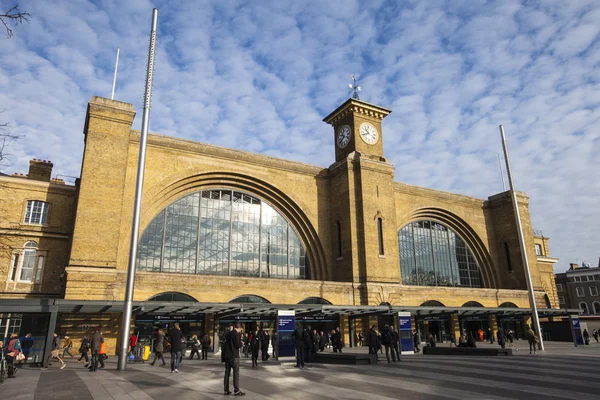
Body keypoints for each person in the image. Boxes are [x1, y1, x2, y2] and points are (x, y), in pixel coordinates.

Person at [222, 322, 245, 396]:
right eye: (241, 329)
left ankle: (226, 390)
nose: (240, 331)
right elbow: (237, 345)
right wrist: (241, 343)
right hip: (234, 356)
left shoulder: (228, 334)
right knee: (236, 373)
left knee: (227, 373)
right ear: (239, 328)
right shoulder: (236, 334)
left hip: (227, 356)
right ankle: (237, 390)